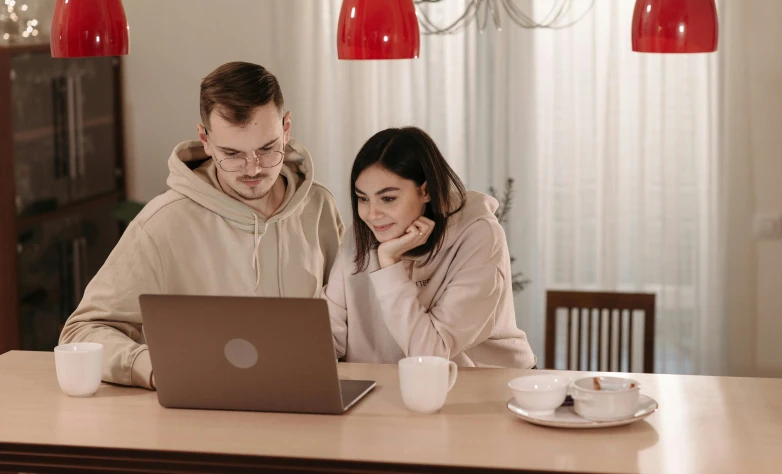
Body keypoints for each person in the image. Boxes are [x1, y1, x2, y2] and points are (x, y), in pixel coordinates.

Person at [60, 62, 344, 389]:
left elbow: (350, 318)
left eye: (267, 148)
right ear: (205, 140)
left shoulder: (319, 206)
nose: (252, 169)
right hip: (203, 415)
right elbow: (83, 331)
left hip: (310, 404)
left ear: (287, 127)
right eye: (232, 153)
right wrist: (154, 367)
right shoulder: (161, 225)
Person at [324, 127, 536, 368]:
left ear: (425, 191)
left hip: (486, 389)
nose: (372, 214)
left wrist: (389, 265)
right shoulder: (358, 238)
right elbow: (327, 334)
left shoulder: (479, 235)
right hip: (390, 391)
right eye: (363, 198)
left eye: (388, 198)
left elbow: (431, 355)